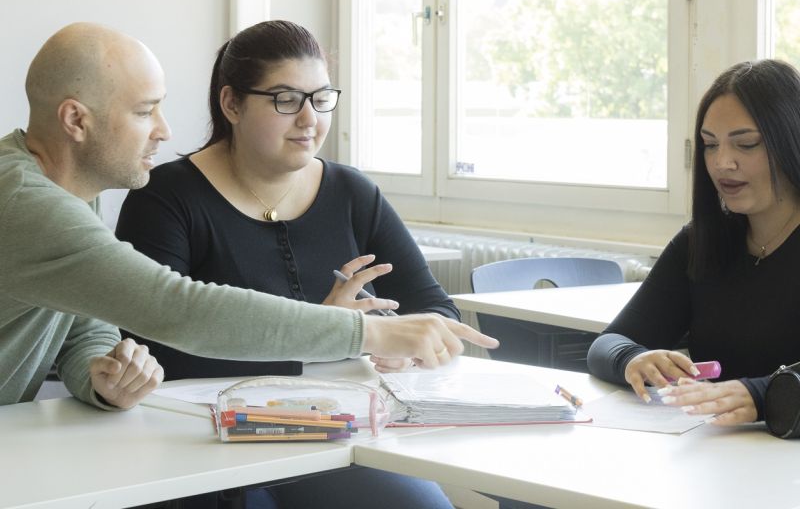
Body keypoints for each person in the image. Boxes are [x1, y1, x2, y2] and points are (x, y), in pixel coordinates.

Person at [0, 22, 498, 414]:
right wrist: (365, 334)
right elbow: (177, 309)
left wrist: (100, 378)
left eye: (320, 99)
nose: (164, 130)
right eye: (144, 112)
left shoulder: (67, 190)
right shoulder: (23, 202)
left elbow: (83, 323)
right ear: (75, 121)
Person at [115, 20, 464, 508]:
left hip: (337, 435)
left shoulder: (352, 194)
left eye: (320, 99)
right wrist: (330, 336)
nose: (308, 120)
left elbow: (437, 312)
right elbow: (158, 348)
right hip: (200, 440)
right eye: (285, 100)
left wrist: (405, 345)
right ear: (232, 103)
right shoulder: (165, 197)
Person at [587, 58, 800, 427]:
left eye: (745, 144)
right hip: (717, 458)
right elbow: (607, 345)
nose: (722, 163)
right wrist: (632, 359)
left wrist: (761, 394)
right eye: (709, 145)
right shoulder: (701, 241)